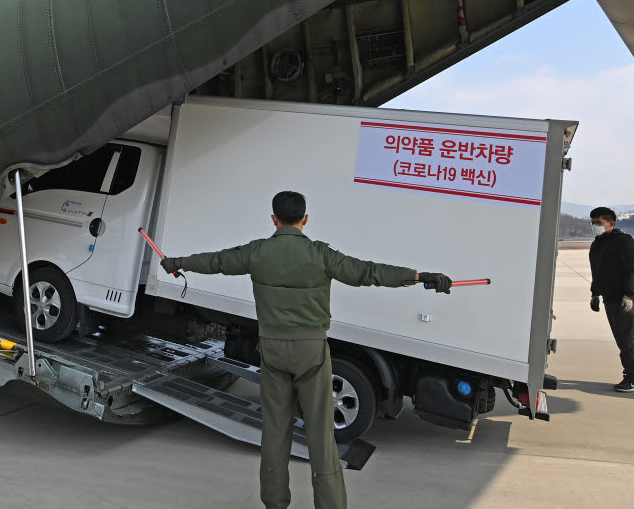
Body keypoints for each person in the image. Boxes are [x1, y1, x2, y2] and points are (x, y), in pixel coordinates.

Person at [161, 191, 452, 509]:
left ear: (273, 219)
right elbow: (368, 272)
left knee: (275, 429)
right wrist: (418, 277)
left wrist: (177, 263)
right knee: (320, 433)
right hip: (311, 351)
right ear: (305, 219)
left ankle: (275, 501)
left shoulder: (257, 252)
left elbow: (215, 261)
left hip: (272, 349)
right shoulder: (321, 255)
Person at [588, 206, 634, 392]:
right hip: (609, 297)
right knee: (627, 338)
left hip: (624, 298)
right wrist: (594, 293)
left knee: (624, 340)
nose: (595, 226)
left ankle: (633, 378)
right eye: (592, 223)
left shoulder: (624, 242)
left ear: (611, 223)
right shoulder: (597, 244)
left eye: (598, 223)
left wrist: (629, 295)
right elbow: (596, 272)